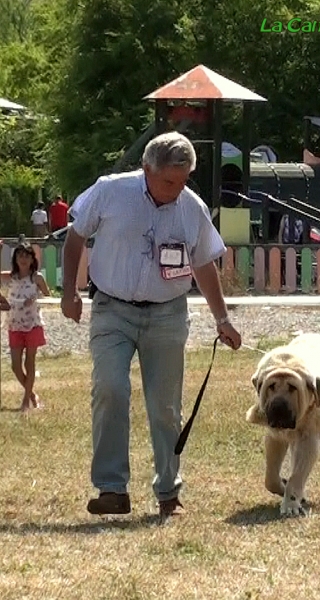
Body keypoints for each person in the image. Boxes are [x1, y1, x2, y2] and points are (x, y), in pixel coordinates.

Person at [61, 131, 242, 522]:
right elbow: (75, 236)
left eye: (183, 181)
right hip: (112, 309)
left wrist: (222, 318)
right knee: (110, 387)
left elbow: (203, 263)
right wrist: (68, 292)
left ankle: (168, 493)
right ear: (146, 169)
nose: (176, 190)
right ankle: (111, 488)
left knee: (165, 406)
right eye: (168, 182)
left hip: (167, 314)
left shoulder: (191, 207)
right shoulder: (110, 191)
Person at [0, 242, 51, 412]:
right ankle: (32, 395)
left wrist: (35, 300)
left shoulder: (37, 278)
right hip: (14, 325)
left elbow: (47, 296)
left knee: (30, 363)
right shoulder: (11, 277)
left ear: (32, 259)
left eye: (26, 256)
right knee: (15, 366)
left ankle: (25, 402)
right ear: (15, 258)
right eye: (20, 255)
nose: (23, 259)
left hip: (33, 325)